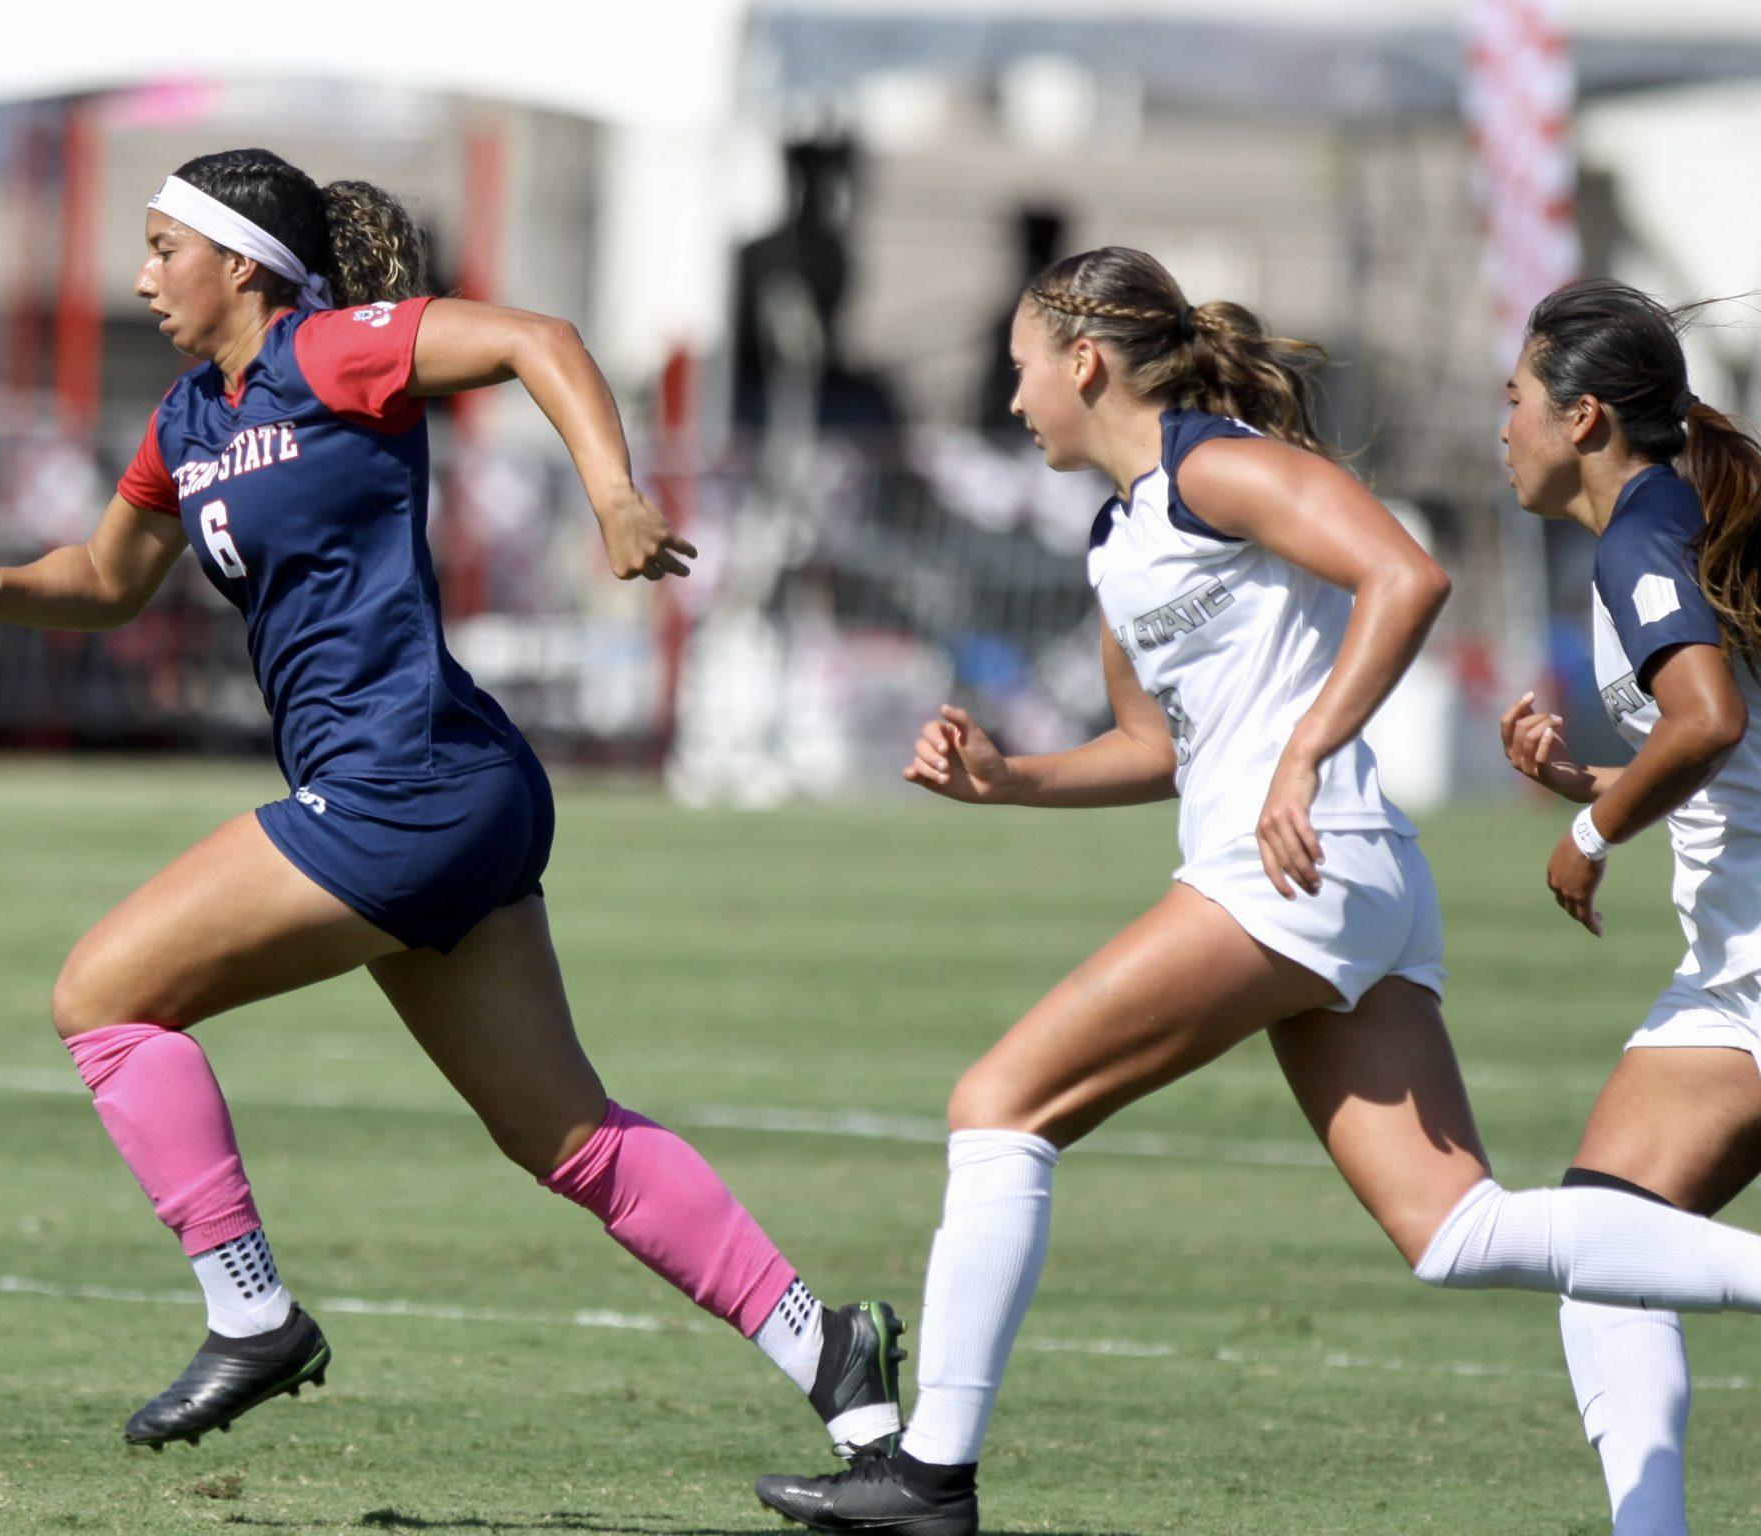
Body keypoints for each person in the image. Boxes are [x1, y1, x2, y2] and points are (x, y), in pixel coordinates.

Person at [0, 148, 902, 1461]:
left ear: (239, 261)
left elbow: (540, 339)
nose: (140, 279)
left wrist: (617, 495)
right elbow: (108, 576)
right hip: (445, 791)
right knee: (567, 1137)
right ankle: (839, 1363)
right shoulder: (188, 415)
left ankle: (251, 1317)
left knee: (101, 1000)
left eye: (161, 250)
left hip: (406, 785)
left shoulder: (332, 352)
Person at [754, 249, 1761, 1535]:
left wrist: (1301, 757)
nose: (1008, 403)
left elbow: (1406, 575)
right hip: (1330, 877)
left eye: (1019, 373)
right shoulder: (1120, 532)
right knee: (1456, 1231)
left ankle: (927, 1476)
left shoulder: (1210, 465)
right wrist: (1008, 780)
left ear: (1083, 363)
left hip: (1297, 864)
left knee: (998, 1104)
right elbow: (1154, 750)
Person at [1496, 278, 1761, 1536]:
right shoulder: (1677, 511)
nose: (1502, 427)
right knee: (1603, 1246)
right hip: (1735, 975)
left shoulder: (1639, 530)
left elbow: (1710, 722)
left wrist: (1589, 832)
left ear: (1583, 416)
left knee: (1597, 1245)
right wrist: (1592, 779)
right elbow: (1726, 763)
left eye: (1515, 402)